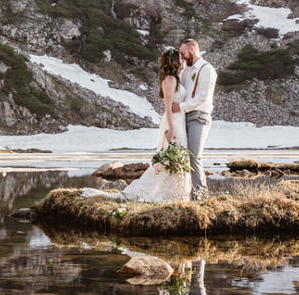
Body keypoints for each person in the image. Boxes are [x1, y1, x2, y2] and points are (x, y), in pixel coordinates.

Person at [79, 48, 191, 202]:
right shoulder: (170, 80)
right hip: (173, 122)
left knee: (178, 156)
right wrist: (171, 129)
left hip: (179, 120)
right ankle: (163, 194)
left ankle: (176, 194)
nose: (183, 61)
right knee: (168, 158)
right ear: (174, 61)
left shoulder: (176, 78)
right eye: (180, 58)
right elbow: (167, 106)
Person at [172, 39, 217, 201]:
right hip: (184, 118)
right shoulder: (185, 71)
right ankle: (185, 192)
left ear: (192, 49)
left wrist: (181, 107)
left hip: (199, 116)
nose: (182, 58)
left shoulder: (207, 69)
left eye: (183, 53)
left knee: (194, 155)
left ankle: (200, 194)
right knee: (184, 155)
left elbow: (202, 98)